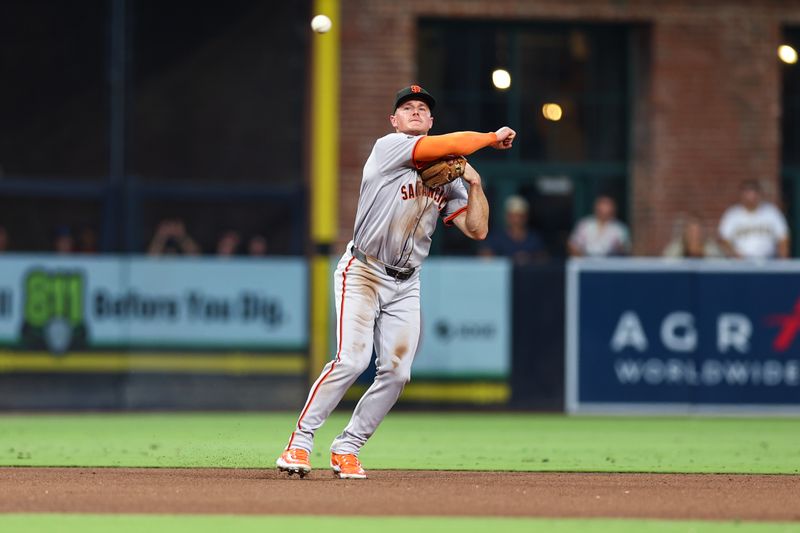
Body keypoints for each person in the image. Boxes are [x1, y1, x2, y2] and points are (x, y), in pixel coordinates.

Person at [276, 85, 516, 479]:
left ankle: (347, 447)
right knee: (351, 360)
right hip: (364, 271)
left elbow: (477, 231)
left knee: (398, 373)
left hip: (407, 282)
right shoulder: (389, 147)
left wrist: (474, 183)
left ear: (432, 120)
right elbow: (451, 144)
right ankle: (299, 443)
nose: (416, 111)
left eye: (423, 108)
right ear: (395, 120)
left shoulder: (449, 174)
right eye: (408, 108)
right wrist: (490, 138)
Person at [718, 180, 789, 259]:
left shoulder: (772, 212)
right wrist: (734, 255)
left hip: (768, 261)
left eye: (754, 193)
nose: (751, 198)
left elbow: (783, 238)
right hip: (739, 263)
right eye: (747, 193)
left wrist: (782, 260)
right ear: (741, 195)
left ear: (759, 194)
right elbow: (724, 240)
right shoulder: (732, 214)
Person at [478, 195, 548, 264]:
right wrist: (510, 259)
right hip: (503, 274)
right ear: (507, 216)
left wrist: (529, 259)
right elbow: (485, 258)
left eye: (520, 216)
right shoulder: (496, 237)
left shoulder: (534, 238)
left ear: (526, 217)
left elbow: (543, 260)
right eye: (512, 216)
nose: (516, 220)